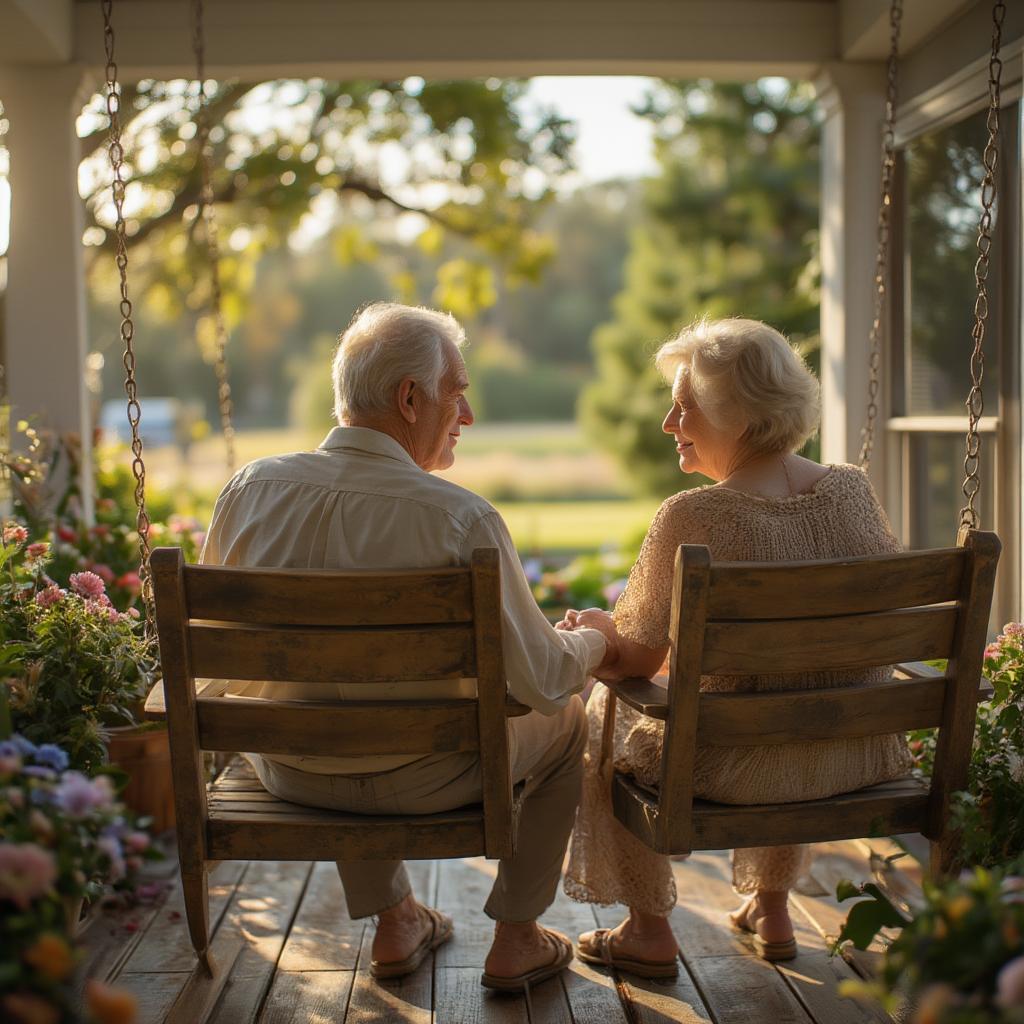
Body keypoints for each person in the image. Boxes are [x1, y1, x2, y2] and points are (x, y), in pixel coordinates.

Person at [200, 302, 616, 991]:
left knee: (329, 708)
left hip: (289, 770)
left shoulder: (247, 490)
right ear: (410, 397)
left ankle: (397, 923)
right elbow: (545, 679)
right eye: (460, 391)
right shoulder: (460, 518)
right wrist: (596, 644)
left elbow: (214, 654)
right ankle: (517, 937)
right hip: (428, 777)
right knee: (567, 721)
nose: (469, 414)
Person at [558, 317, 912, 971]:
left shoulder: (693, 515)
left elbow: (638, 659)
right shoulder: (852, 491)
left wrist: (598, 633)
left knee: (606, 711)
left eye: (685, 406)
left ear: (740, 415)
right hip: (857, 754)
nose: (669, 422)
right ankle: (770, 906)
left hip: (737, 770)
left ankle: (647, 930)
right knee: (797, 692)